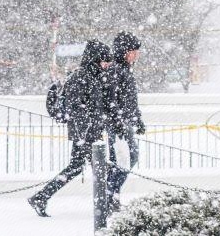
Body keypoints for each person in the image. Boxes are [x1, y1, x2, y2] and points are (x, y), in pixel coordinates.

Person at [28, 40, 113, 217]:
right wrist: (89, 130)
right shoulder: (81, 77)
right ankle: (105, 205)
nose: (106, 64)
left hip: (89, 132)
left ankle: (42, 197)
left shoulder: (93, 76)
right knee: (98, 169)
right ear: (95, 59)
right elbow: (77, 108)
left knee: (80, 167)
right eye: (104, 60)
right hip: (86, 133)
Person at [105, 31, 145, 211]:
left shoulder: (125, 71)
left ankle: (111, 196)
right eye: (133, 51)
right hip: (118, 125)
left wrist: (138, 119)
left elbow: (130, 100)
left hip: (125, 122)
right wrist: (119, 122)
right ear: (124, 51)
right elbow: (112, 100)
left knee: (122, 160)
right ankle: (110, 196)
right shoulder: (115, 71)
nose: (136, 54)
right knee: (125, 159)